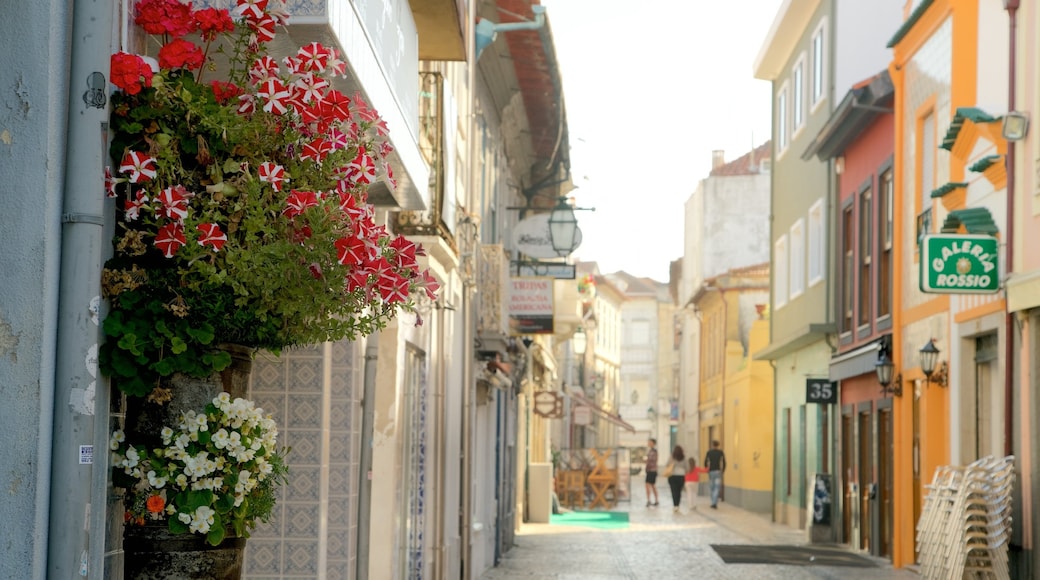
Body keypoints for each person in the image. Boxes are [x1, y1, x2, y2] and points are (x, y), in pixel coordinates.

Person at [664, 445, 688, 513]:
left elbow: (667, 464)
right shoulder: (683, 458)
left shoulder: (672, 457)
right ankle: (678, 505)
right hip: (681, 476)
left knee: (674, 491)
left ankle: (675, 505)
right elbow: (687, 467)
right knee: (679, 491)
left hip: (672, 476)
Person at [705, 440, 726, 509]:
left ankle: (713, 502)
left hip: (711, 471)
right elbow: (724, 461)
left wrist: (706, 469)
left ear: (712, 445)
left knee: (712, 487)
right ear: (718, 445)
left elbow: (705, 461)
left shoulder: (709, 452)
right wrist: (723, 470)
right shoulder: (720, 452)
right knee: (717, 487)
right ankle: (714, 502)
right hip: (718, 471)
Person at [644, 438, 659, 507]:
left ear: (653, 443)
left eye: (650, 442)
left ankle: (654, 500)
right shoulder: (650, 451)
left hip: (652, 471)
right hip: (650, 470)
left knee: (651, 485)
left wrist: (647, 461)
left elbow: (652, 460)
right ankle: (650, 500)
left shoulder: (654, 451)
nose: (648, 443)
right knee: (650, 485)